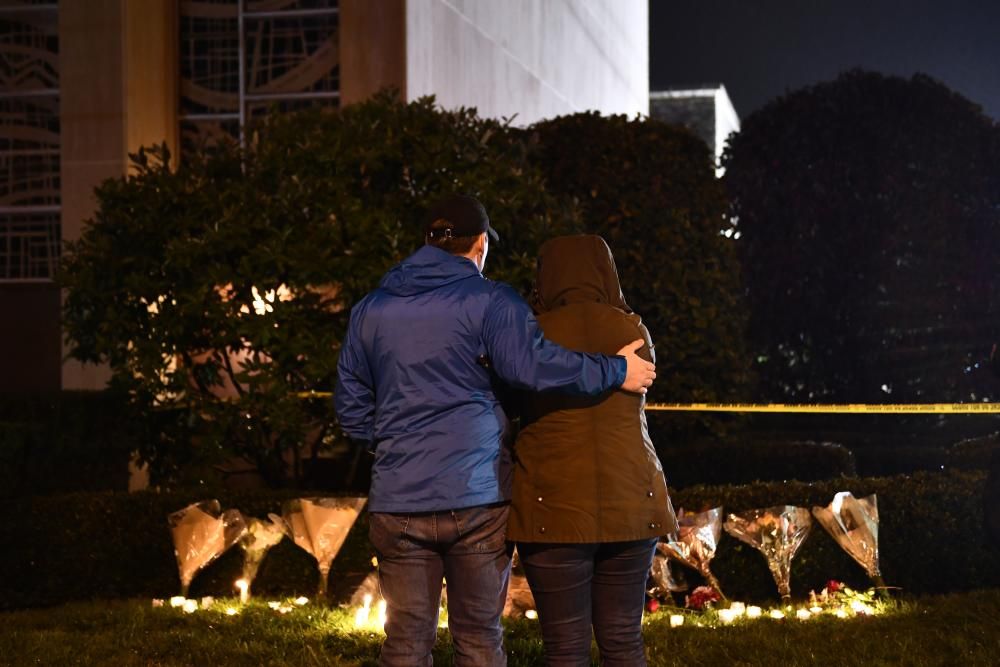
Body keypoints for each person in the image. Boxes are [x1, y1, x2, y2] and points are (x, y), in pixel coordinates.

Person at [334, 196, 657, 667]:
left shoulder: (370, 309)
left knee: (404, 643)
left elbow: (351, 405)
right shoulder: (493, 301)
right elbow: (532, 367)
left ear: (427, 241)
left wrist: (390, 446)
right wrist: (614, 370)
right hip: (478, 498)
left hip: (398, 498)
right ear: (480, 243)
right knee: (480, 641)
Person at [508, 234, 678, 667]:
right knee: (623, 641)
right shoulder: (633, 329)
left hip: (554, 508)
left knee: (565, 649)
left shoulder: (529, 337)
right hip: (631, 502)